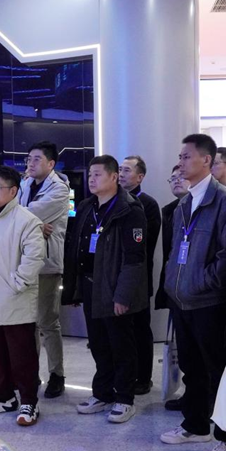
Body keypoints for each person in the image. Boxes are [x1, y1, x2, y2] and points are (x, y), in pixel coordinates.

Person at [160, 134, 226, 451]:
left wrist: (201, 283)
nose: (180, 163)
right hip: (183, 300)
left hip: (210, 302)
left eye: (186, 156)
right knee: (192, 368)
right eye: (180, 156)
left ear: (206, 160)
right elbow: (177, 251)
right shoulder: (185, 202)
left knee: (220, 371)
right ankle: (195, 426)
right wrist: (174, 283)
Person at [63, 155, 148, 424]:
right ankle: (102, 393)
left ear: (113, 177)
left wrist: (123, 295)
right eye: (90, 174)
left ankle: (124, 398)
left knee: (121, 345)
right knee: (98, 343)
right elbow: (75, 248)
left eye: (98, 174)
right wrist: (75, 287)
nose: (92, 179)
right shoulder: (87, 206)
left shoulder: (129, 209)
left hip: (114, 287)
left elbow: (135, 259)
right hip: (90, 284)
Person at [0, 166, 45, 426]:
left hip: (15, 298)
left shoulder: (27, 221)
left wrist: (17, 284)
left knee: (22, 355)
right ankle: (4, 395)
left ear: (13, 191)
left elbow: (34, 258)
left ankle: (29, 401)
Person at [19, 141, 71, 398]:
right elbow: (16, 215)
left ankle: (56, 375)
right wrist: (37, 225)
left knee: (48, 322)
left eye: (37, 159)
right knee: (26, 323)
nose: (30, 163)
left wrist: (25, 220)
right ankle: (30, 374)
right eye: (29, 158)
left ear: (51, 164)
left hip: (47, 264)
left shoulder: (59, 189)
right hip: (23, 261)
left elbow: (18, 214)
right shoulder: (24, 184)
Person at [119, 155, 161, 395]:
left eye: (127, 170)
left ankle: (144, 377)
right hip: (115, 277)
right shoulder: (112, 200)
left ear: (140, 176)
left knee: (140, 328)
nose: (121, 174)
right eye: (120, 169)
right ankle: (124, 375)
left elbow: (145, 245)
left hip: (139, 276)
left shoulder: (147, 204)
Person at [155, 165, 190, 412]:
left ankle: (207, 397)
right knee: (183, 346)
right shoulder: (169, 210)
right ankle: (190, 392)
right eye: (173, 177)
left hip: (199, 288)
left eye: (181, 176)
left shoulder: (211, 206)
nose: (176, 180)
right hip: (176, 284)